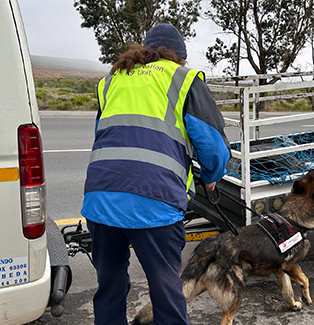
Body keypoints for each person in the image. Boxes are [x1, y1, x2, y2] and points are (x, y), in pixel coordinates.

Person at [81, 23, 231, 325]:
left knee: (109, 290)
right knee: (166, 293)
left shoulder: (112, 80)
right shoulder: (183, 79)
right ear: (179, 57)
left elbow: (104, 132)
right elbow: (213, 145)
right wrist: (212, 176)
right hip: (154, 204)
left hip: (100, 201)